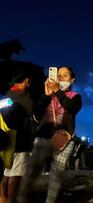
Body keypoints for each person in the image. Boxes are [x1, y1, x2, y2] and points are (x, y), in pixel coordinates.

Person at [18, 66, 82, 203]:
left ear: (72, 80)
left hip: (64, 139)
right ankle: (22, 198)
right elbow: (36, 114)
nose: (60, 77)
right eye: (58, 75)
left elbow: (71, 107)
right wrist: (46, 97)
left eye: (65, 75)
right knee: (31, 172)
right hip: (43, 137)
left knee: (55, 176)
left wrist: (57, 91)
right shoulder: (47, 94)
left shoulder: (75, 97)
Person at [0, 69, 34, 203]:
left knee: (6, 174)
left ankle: (2, 199)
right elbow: (30, 119)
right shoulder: (26, 99)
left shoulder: (5, 98)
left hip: (4, 142)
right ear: (26, 80)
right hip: (21, 143)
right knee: (16, 176)